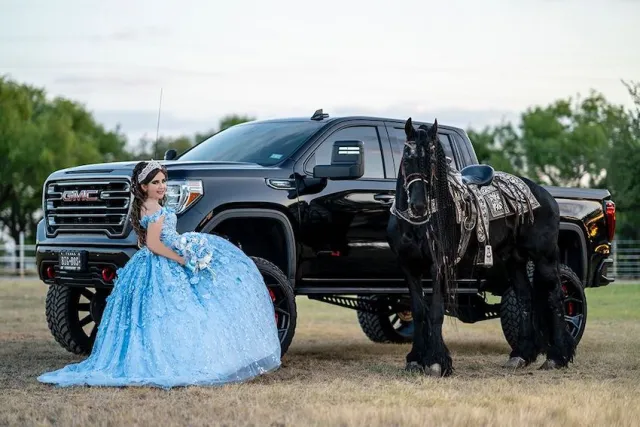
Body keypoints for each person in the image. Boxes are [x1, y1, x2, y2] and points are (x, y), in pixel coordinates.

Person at [38, 160, 281, 388]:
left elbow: (145, 244)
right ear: (143, 186)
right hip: (161, 260)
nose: (162, 186)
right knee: (174, 309)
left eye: (163, 181)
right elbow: (154, 244)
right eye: (155, 182)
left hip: (149, 261)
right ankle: (172, 357)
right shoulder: (154, 209)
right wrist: (180, 257)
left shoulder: (144, 206)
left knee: (154, 314)